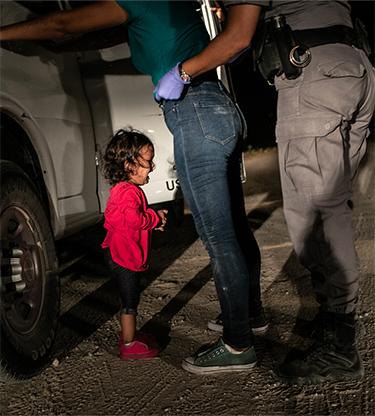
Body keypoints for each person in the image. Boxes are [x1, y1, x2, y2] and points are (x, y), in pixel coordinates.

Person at [0, 1, 267, 374]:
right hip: (217, 107)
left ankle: (238, 343)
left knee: (219, 237)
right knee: (235, 229)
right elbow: (86, 37)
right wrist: (49, 45)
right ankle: (248, 316)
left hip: (194, 111)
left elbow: (63, 24)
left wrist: (4, 32)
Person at [155, 1, 375, 384]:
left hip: (313, 74)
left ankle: (339, 347)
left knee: (316, 218)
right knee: (332, 208)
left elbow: (237, 36)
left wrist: (183, 72)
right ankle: (334, 326)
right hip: (353, 65)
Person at [101, 128, 167, 359]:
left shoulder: (123, 190)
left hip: (117, 253)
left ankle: (130, 335)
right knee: (130, 300)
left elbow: (126, 219)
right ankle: (128, 344)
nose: (151, 167)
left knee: (128, 297)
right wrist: (154, 217)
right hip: (124, 256)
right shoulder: (128, 192)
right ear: (129, 165)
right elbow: (133, 219)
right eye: (148, 162)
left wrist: (151, 220)